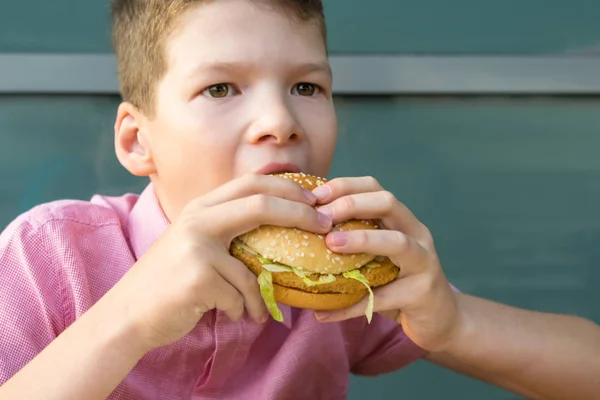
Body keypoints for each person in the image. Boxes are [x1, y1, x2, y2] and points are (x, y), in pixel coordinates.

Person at [0, 0, 598, 399]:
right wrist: (128, 320)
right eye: (221, 87)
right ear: (138, 140)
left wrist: (454, 320)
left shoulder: (341, 269)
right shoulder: (50, 255)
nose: (279, 121)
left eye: (306, 86)